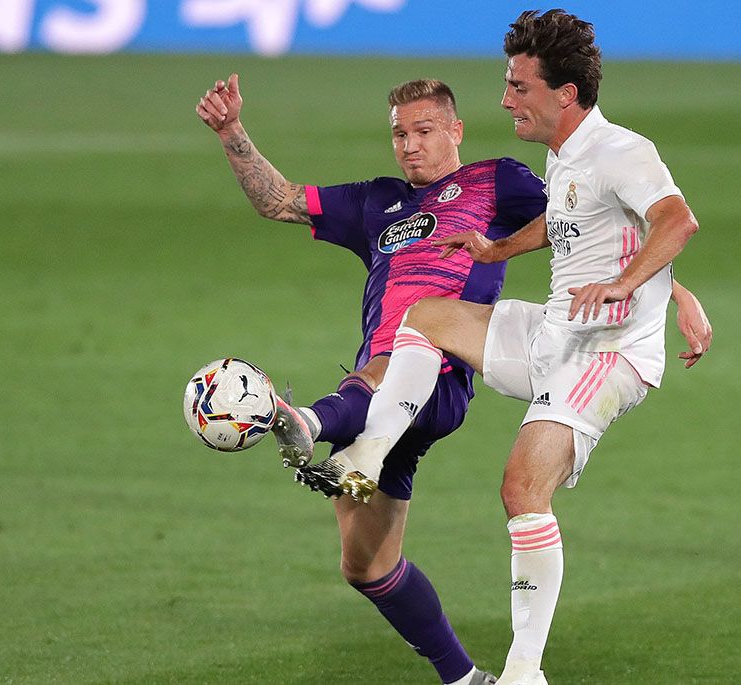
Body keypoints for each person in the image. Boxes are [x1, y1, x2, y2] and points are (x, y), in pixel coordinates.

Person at [292, 9, 712, 685]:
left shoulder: (621, 151)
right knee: (428, 316)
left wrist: (634, 284)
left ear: (564, 93)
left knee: (521, 488)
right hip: (557, 331)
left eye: (518, 86)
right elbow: (566, 218)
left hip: (606, 353)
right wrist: (498, 247)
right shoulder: (568, 155)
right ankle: (366, 451)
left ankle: (523, 673)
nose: (505, 98)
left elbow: (675, 219)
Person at [196, 75, 551, 685]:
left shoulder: (496, 181)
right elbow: (279, 200)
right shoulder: (375, 202)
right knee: (366, 565)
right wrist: (232, 131)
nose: (410, 146)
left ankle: (302, 420)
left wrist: (662, 285)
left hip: (438, 377)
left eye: (424, 131)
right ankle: (466, 680)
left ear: (455, 131)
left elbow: (582, 220)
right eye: (399, 134)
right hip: (375, 408)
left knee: (405, 345)